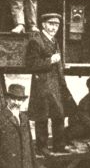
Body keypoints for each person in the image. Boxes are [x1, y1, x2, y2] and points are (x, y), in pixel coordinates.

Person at [27, 13, 68, 153]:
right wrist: (50, 60)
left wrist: (62, 82)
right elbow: (31, 65)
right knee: (42, 116)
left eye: (57, 25)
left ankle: (59, 146)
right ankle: (42, 147)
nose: (54, 27)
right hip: (42, 85)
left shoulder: (54, 41)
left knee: (59, 115)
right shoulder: (36, 41)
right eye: (51, 24)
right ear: (43, 25)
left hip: (55, 84)